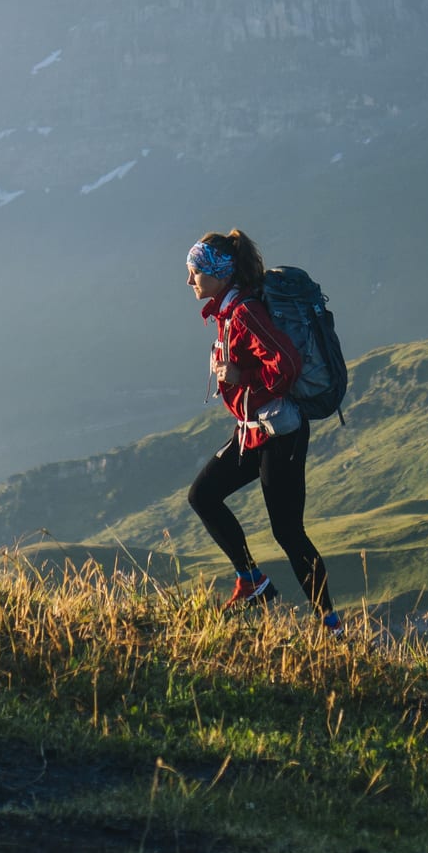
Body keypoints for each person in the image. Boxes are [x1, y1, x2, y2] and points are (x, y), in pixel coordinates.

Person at [186, 229, 340, 630]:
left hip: (280, 434)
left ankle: (331, 625)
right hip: (252, 431)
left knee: (288, 532)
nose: (190, 281)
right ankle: (252, 580)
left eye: (196, 272)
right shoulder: (228, 312)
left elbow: (287, 364)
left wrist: (242, 375)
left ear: (219, 274)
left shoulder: (245, 313)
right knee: (203, 495)